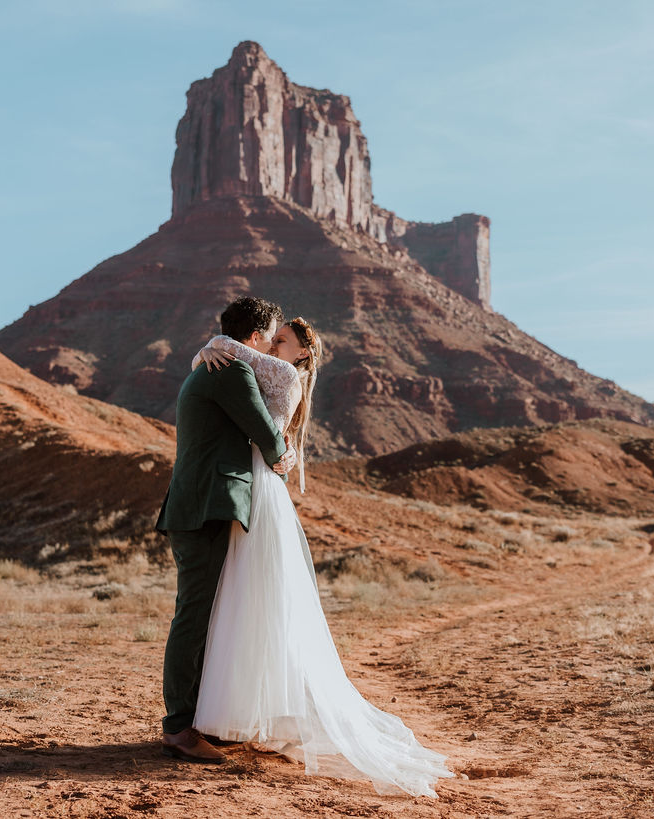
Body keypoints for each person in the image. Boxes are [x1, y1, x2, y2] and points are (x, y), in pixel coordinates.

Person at [188, 316, 455, 798]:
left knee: (258, 595)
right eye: (271, 337)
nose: (271, 344)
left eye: (281, 341)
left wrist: (213, 341)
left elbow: (254, 402)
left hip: (259, 484)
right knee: (245, 596)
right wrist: (211, 346)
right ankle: (237, 713)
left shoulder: (284, 374)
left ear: (300, 354)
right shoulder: (270, 369)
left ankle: (244, 714)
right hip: (254, 480)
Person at [156, 296, 297, 764]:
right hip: (206, 506)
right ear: (254, 338)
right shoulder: (232, 370)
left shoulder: (215, 363)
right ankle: (178, 728)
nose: (274, 348)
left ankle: (197, 719)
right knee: (194, 615)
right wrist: (284, 457)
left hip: (203, 504)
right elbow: (261, 427)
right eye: (272, 338)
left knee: (205, 614)